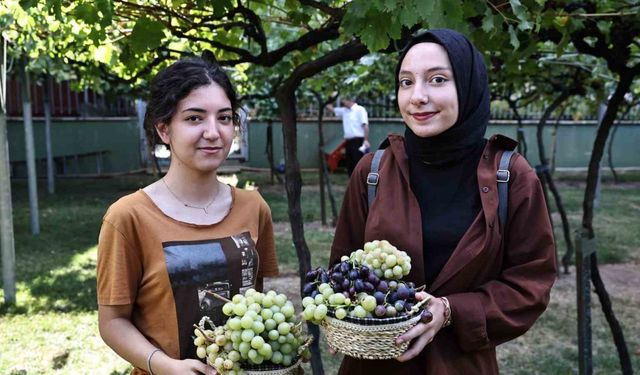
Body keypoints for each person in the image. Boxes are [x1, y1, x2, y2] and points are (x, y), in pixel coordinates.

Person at [329, 29, 557, 374]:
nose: (417, 96)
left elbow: (530, 286)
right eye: (406, 82)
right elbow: (341, 272)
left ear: (467, 86)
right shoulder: (372, 171)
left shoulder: (511, 176)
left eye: (437, 79)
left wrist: (451, 310)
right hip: (373, 365)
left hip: (459, 365)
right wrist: (338, 315)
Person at [97, 57, 279, 375]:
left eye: (224, 118)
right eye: (195, 118)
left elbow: (255, 300)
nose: (213, 132)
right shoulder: (128, 217)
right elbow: (113, 322)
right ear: (164, 129)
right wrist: (163, 365)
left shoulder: (254, 207)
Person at [327, 98, 370, 176]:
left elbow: (365, 125)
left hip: (358, 140)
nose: (342, 103)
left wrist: (366, 140)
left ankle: (359, 182)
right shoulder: (344, 111)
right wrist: (331, 97)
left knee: (357, 162)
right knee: (349, 163)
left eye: (344, 100)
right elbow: (330, 108)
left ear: (350, 100)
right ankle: (352, 182)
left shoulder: (360, 109)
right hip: (348, 141)